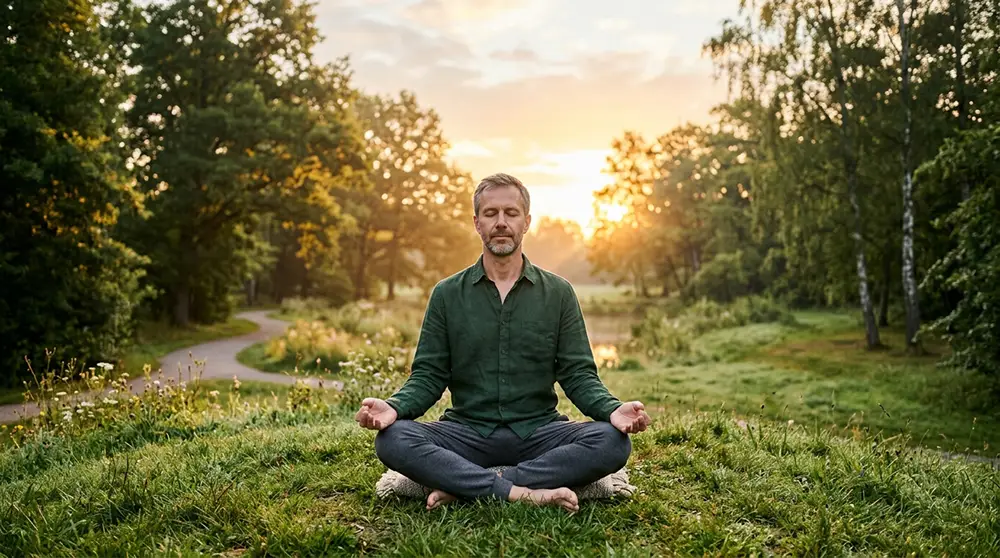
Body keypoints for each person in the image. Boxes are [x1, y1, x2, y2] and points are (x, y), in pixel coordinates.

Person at [355, 172, 652, 513]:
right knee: (393, 439)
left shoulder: (559, 293)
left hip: (540, 433)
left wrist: (612, 410)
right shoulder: (446, 294)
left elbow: (578, 375)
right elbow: (429, 375)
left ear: (526, 222)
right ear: (477, 223)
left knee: (612, 442)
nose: (501, 222)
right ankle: (524, 491)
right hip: (465, 432)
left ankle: (468, 486)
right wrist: (394, 407)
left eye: (511, 213)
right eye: (490, 213)